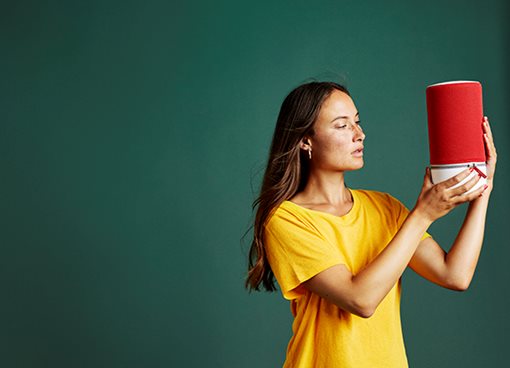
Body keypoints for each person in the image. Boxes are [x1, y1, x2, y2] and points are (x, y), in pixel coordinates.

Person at [245, 81, 497, 367]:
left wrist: (483, 188)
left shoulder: (384, 207)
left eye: (357, 122)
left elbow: (455, 275)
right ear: (306, 140)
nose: (359, 134)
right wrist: (423, 215)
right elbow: (360, 300)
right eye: (342, 126)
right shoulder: (287, 220)